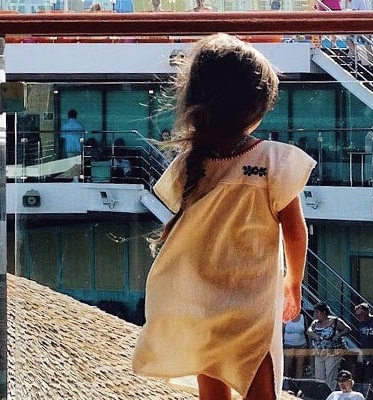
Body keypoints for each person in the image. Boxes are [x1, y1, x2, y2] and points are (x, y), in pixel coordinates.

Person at [131, 33, 314, 400]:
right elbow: (295, 232)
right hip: (251, 302)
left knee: (211, 383)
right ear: (257, 106)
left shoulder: (190, 161)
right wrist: (294, 282)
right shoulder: (273, 160)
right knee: (259, 382)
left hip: (201, 297)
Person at [309, 303, 352, 390]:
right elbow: (309, 330)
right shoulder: (315, 323)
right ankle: (321, 394)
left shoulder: (335, 321)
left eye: (318, 312)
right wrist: (315, 335)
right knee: (319, 376)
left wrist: (338, 335)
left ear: (324, 312)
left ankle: (330, 394)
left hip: (333, 352)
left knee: (330, 375)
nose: (316, 315)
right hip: (319, 352)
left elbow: (348, 329)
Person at [284, 311, 310, 379]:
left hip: (302, 345)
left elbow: (307, 331)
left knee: (300, 366)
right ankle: (286, 383)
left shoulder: (303, 317)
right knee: (287, 366)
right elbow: (281, 331)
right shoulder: (285, 316)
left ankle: (298, 383)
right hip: (288, 345)